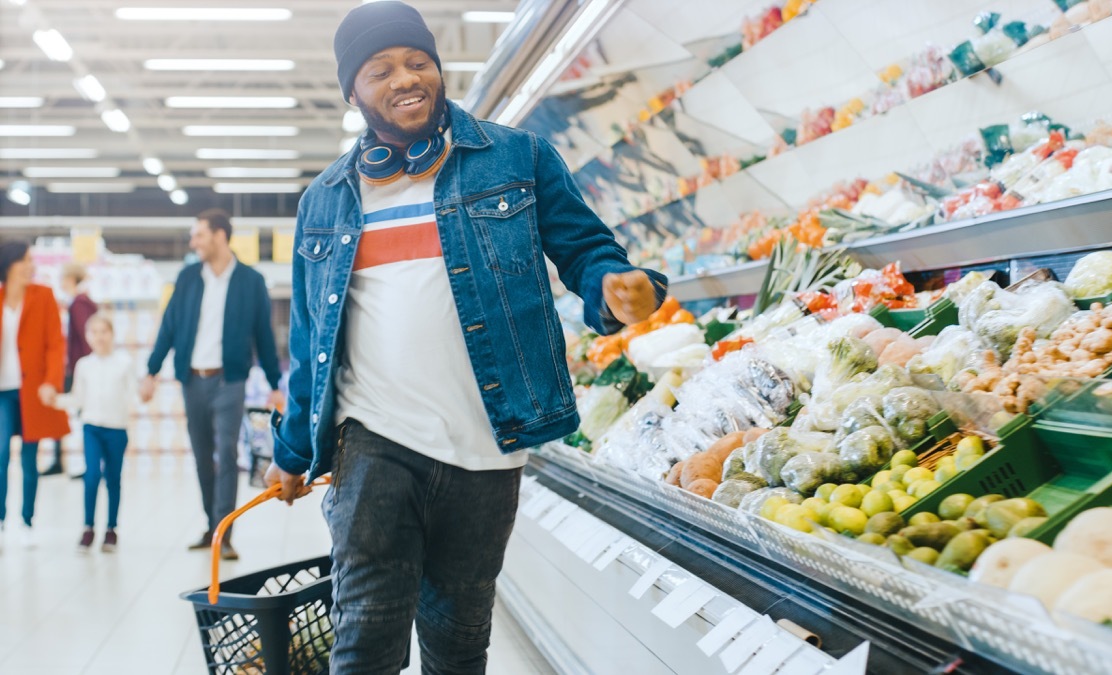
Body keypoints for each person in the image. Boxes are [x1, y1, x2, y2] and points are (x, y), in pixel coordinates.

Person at [264, 2, 667, 671]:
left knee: (457, 639)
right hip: (372, 442)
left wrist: (615, 286)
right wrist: (290, 448)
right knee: (364, 634)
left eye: (418, 60)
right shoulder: (329, 198)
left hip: (488, 445)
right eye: (381, 69)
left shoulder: (518, 157)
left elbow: (586, 250)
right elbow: (311, 343)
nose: (405, 77)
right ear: (354, 93)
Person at [141, 209, 284, 561]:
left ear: (219, 236)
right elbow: (169, 327)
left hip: (229, 380)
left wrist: (274, 383)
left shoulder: (250, 281)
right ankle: (211, 525)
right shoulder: (189, 277)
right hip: (192, 379)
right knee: (203, 457)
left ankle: (225, 531)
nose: (194, 242)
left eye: (199, 235)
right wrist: (151, 370)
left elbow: (263, 335)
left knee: (227, 453)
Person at [0, 241, 71, 551]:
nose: (31, 266)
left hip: (33, 391)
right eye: (25, 260)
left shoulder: (43, 296)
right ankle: (1, 521)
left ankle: (27, 522)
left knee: (30, 460)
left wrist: (51, 382)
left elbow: (56, 343)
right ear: (10, 264)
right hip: (2, 391)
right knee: (1, 454)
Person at [50, 314, 138, 553]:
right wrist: (55, 400)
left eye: (104, 331)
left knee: (113, 479)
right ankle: (88, 527)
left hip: (117, 429)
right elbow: (78, 398)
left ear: (112, 334)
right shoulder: (84, 365)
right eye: (94, 332)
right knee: (91, 476)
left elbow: (134, 395)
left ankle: (111, 529)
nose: (99, 337)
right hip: (91, 427)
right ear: (87, 336)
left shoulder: (124, 363)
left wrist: (146, 394)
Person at [42, 262, 98, 478]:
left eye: (64, 279)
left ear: (72, 280)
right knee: (63, 410)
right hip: (75, 367)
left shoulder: (79, 304)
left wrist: (86, 368)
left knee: (82, 412)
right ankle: (61, 460)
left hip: (78, 368)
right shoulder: (77, 302)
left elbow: (86, 339)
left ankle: (87, 465)